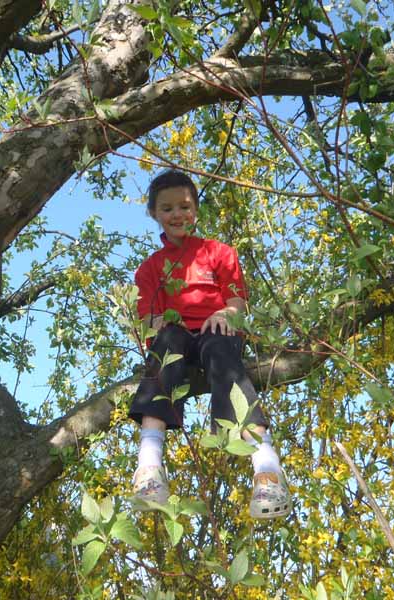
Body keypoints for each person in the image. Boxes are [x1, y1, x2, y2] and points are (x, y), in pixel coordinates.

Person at [128, 169, 291, 520]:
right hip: (177, 337)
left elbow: (237, 303)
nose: (177, 215)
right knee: (166, 344)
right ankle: (149, 467)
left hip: (213, 333)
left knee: (222, 353)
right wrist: (161, 325)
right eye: (167, 208)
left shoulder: (219, 253)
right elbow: (148, 320)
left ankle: (267, 468)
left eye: (184, 206)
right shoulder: (150, 270)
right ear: (154, 214)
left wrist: (226, 313)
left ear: (197, 210)